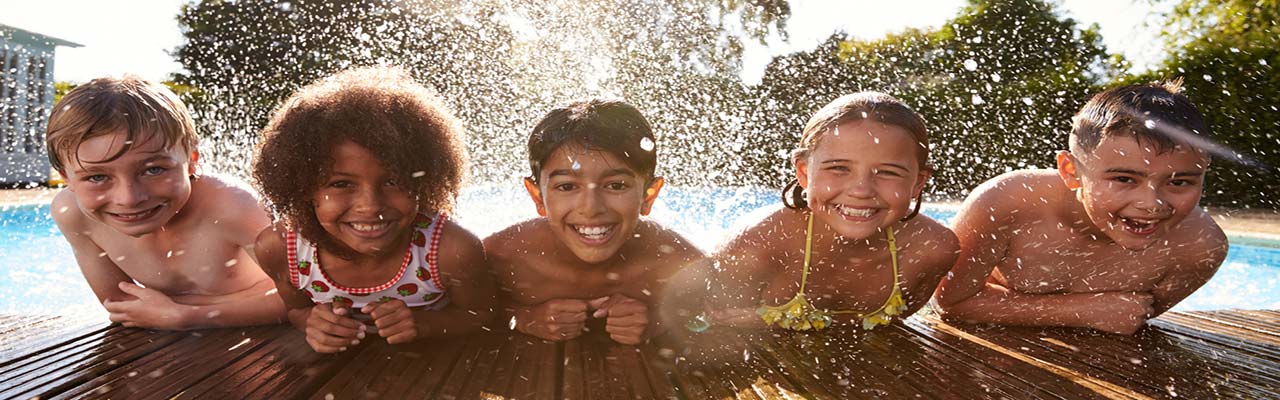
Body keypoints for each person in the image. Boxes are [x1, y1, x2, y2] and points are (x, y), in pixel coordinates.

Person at [934, 80, 1229, 335]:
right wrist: (1081, 310)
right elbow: (951, 303)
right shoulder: (1009, 202)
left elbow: (1129, 318)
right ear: (1071, 171)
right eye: (1124, 179)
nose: (1151, 204)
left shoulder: (1200, 248)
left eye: (1179, 183)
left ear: (1204, 170)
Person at [252, 67, 495, 353]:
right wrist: (312, 323)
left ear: (424, 180)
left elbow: (483, 315)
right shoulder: (281, 248)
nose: (371, 205)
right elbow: (296, 310)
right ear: (302, 187)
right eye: (341, 183)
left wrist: (425, 324)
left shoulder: (450, 250)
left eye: (393, 181)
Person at [705, 92, 959, 331]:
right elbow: (707, 324)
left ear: (918, 182)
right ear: (804, 172)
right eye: (839, 168)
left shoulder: (932, 248)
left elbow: (895, 322)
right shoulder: (760, 243)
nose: (861, 190)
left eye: (888, 172)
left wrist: (789, 321)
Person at [47, 76, 284, 330]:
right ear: (66, 177)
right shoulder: (73, 213)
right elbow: (122, 307)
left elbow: (310, 298)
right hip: (182, 345)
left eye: (153, 170)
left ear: (192, 159)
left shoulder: (231, 205)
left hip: (271, 339)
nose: (129, 198)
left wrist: (185, 316)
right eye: (97, 177)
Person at [485, 99, 703, 345]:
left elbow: (715, 314)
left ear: (648, 195)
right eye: (566, 186)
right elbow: (467, 313)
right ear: (538, 196)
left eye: (616, 186)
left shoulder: (677, 262)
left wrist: (661, 320)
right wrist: (523, 318)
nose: (591, 208)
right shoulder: (503, 256)